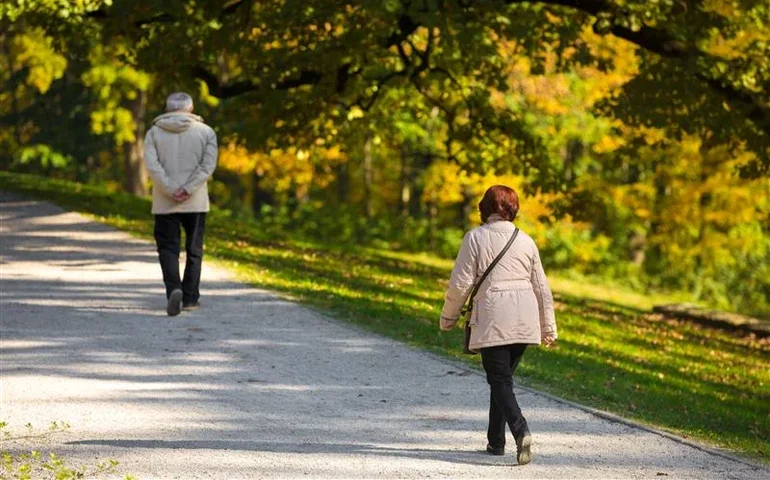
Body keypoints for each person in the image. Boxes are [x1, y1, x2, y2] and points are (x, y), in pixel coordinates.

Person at [439, 185, 557, 466]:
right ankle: (496, 441)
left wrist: (448, 316)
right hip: (524, 319)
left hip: (494, 316)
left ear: (485, 207)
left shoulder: (474, 238)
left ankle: (521, 431)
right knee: (502, 380)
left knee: (499, 380)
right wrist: (548, 326)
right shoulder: (526, 240)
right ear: (512, 209)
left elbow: (461, 284)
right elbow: (542, 288)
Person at [143, 92, 218, 316]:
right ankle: (191, 298)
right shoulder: (206, 132)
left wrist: (170, 188)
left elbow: (152, 165)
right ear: (191, 108)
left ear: (167, 109)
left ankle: (174, 289)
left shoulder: (153, 133)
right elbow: (208, 165)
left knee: (168, 247)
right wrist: (188, 188)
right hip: (195, 200)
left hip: (165, 200)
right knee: (194, 250)